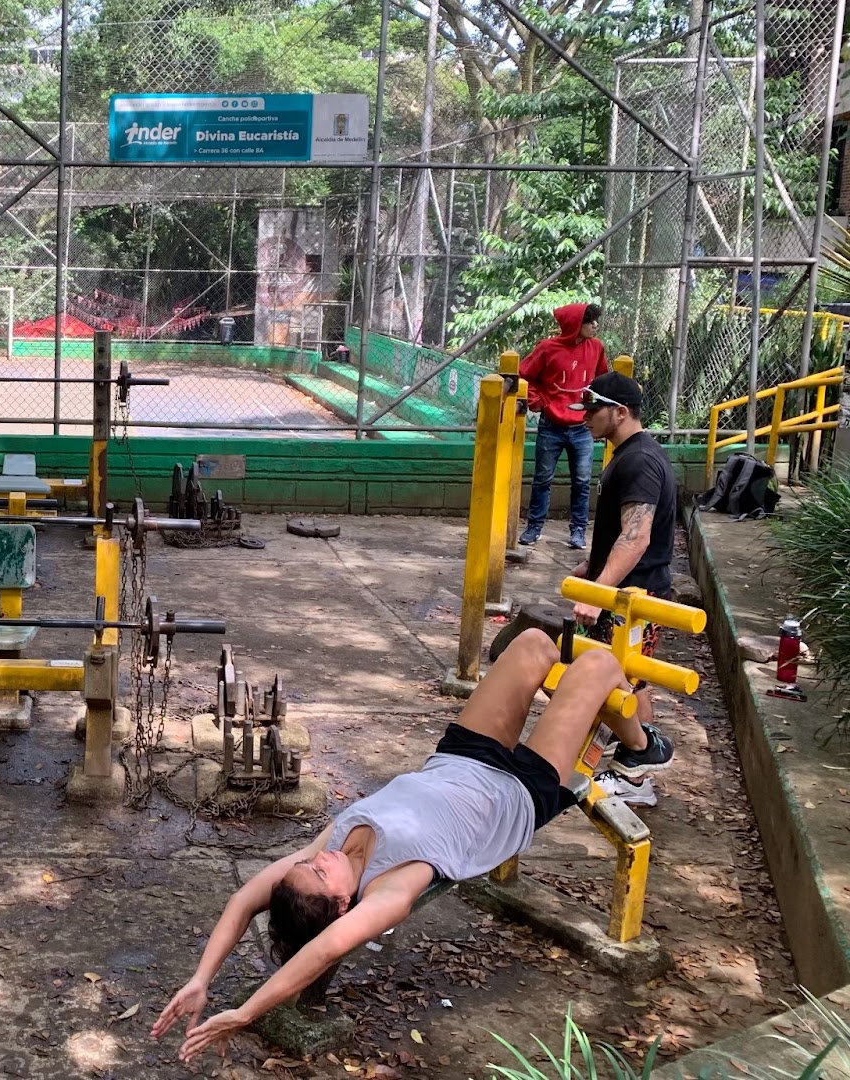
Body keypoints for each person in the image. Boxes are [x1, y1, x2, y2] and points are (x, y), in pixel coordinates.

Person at [150, 627, 673, 1064]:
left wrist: (201, 978)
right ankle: (642, 746)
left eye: (308, 862)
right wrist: (246, 1013)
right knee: (599, 665)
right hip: (520, 792)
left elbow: (242, 901)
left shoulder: (323, 852)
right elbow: (324, 948)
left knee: (535, 642)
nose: (317, 857)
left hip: (461, 757)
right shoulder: (388, 889)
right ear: (340, 904)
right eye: (319, 872)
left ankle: (633, 736)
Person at [567, 370, 679, 806]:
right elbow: (617, 534)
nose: (586, 418)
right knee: (630, 681)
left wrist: (599, 592)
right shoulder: (625, 454)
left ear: (621, 411)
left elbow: (637, 536)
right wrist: (589, 570)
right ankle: (634, 762)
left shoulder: (638, 461)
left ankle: (637, 773)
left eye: (593, 410)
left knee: (621, 682)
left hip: (634, 598)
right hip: (622, 592)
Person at [518, 302, 608, 551]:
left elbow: (601, 380)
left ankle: (578, 531)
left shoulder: (596, 347)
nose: (595, 326)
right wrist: (540, 402)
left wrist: (597, 411)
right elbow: (524, 374)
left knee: (582, 480)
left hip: (583, 427)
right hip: (551, 425)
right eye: (589, 322)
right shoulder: (548, 348)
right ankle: (534, 527)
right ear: (574, 325)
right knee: (542, 479)